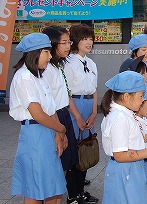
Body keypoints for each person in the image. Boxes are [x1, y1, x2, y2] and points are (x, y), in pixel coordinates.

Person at [9, 33, 67, 204]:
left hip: (48, 131)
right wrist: (61, 129)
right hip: (35, 134)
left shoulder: (39, 76)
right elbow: (38, 114)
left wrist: (58, 133)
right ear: (34, 53)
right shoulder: (24, 77)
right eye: (46, 52)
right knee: (35, 189)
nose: (50, 56)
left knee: (52, 187)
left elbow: (51, 108)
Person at [100, 71, 147, 204]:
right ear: (126, 96)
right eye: (141, 96)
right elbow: (120, 155)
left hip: (130, 168)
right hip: (125, 170)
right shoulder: (120, 118)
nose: (143, 100)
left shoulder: (124, 113)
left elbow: (130, 139)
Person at [42, 26, 84, 204]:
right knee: (56, 166)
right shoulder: (46, 69)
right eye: (64, 42)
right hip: (54, 117)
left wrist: (77, 117)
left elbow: (65, 95)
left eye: (69, 42)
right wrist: (60, 131)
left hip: (63, 115)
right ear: (52, 44)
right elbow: (48, 103)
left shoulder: (58, 65)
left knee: (65, 164)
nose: (68, 46)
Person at [64, 23, 99, 204]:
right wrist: (77, 116)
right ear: (75, 41)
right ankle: (72, 195)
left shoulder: (91, 63)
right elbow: (66, 93)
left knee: (84, 146)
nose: (88, 42)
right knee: (73, 149)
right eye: (84, 39)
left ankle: (81, 191)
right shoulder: (68, 63)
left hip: (88, 105)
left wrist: (94, 113)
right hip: (73, 106)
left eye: (91, 39)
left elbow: (94, 90)